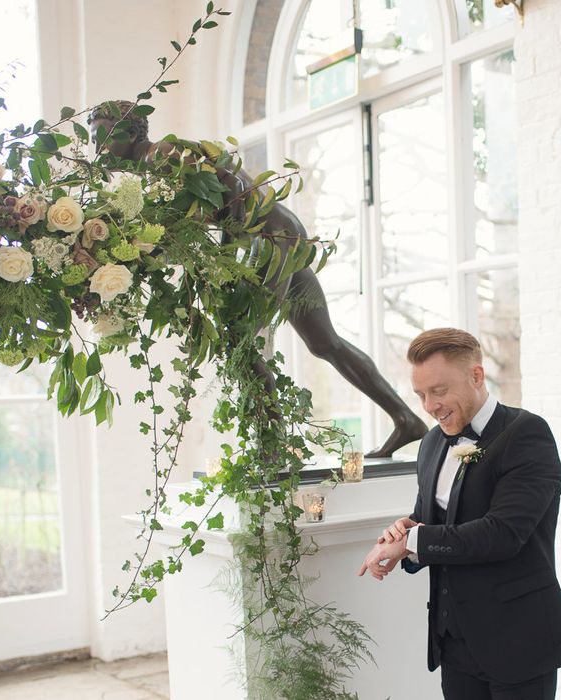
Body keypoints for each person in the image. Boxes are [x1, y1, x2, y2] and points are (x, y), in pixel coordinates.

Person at [86, 101, 427, 457]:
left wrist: (228, 259)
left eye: (102, 137)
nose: (98, 149)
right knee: (325, 343)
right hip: (278, 231)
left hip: (267, 237)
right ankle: (406, 420)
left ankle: (273, 448)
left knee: (239, 342)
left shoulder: (163, 154)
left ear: (129, 131)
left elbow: (232, 186)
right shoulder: (152, 168)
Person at [357, 328, 561, 699]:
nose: (429, 406)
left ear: (476, 376)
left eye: (439, 391)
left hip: (519, 642)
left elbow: (503, 534)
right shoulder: (432, 443)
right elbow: (429, 523)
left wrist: (414, 541)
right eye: (421, 395)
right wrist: (404, 534)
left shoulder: (527, 434)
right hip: (453, 641)